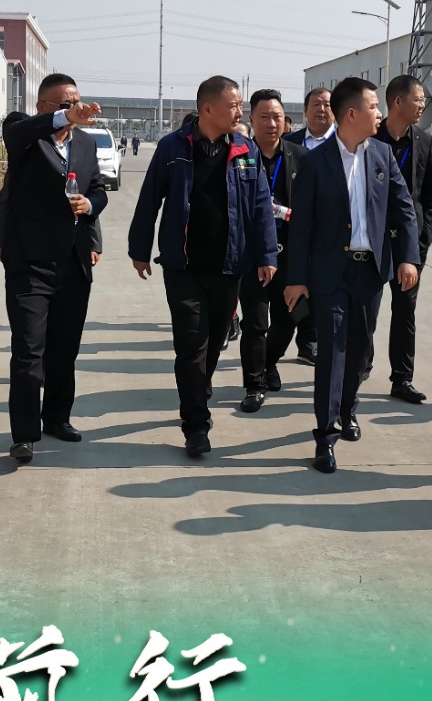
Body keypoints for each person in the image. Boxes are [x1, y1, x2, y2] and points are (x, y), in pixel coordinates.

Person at [128, 76, 278, 457]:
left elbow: (261, 205)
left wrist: (266, 255)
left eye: (240, 105)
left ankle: (199, 389)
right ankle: (195, 425)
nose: (240, 112)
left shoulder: (245, 149)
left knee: (213, 342)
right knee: (191, 345)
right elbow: (150, 199)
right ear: (208, 109)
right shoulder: (173, 147)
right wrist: (139, 248)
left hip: (230, 266)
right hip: (184, 267)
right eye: (234, 105)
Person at [284, 77, 419, 473]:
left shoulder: (382, 155)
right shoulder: (315, 162)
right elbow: (301, 227)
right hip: (331, 273)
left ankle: (348, 409)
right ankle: (325, 436)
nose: (380, 113)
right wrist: (296, 278)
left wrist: (408, 258)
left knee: (361, 351)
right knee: (332, 353)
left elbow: (404, 209)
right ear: (351, 114)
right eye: (373, 106)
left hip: (371, 272)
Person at [0, 73, 109, 463]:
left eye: (76, 102)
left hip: (73, 261)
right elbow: (18, 133)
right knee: (29, 350)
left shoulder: (86, 143)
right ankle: (24, 433)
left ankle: (57, 417)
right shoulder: (24, 133)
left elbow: (97, 189)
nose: (74, 109)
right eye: (64, 104)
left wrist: (90, 205)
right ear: (43, 106)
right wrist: (64, 118)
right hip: (30, 262)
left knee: (64, 348)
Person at [236, 90, 307, 409]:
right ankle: (254, 386)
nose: (271, 123)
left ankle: (269, 363)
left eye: (277, 116)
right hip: (251, 256)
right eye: (263, 117)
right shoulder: (239, 156)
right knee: (254, 323)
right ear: (251, 120)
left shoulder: (301, 158)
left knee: (290, 317)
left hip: (289, 254)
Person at [375, 75, 432, 404]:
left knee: (405, 312)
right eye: (418, 99)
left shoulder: (424, 141)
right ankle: (360, 366)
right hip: (372, 242)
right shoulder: (369, 137)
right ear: (397, 102)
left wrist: (420, 243)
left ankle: (402, 378)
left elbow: (429, 198)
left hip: (408, 244)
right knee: (365, 311)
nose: (423, 105)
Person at [285, 87, 334, 368]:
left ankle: (314, 341)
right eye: (316, 104)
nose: (321, 109)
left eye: (327, 104)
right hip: (294, 227)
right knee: (298, 285)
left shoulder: (344, 144)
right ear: (305, 111)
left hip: (330, 230)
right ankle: (306, 341)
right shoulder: (289, 143)